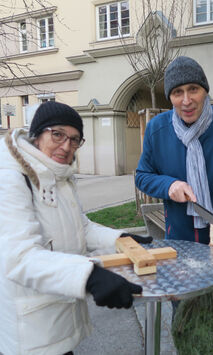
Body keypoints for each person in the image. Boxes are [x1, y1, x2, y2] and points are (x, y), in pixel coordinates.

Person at [0, 101, 150, 355]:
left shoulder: (59, 175)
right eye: (57, 134)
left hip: (57, 318)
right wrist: (88, 276)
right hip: (29, 333)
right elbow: (19, 258)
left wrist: (119, 238)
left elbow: (82, 226)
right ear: (37, 135)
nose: (66, 146)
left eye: (74, 139)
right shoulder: (11, 178)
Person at [135, 56, 213, 265]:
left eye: (193, 89)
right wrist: (169, 185)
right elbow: (143, 176)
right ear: (170, 97)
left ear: (205, 90)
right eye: (178, 92)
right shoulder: (156, 129)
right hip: (179, 244)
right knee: (185, 298)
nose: (186, 101)